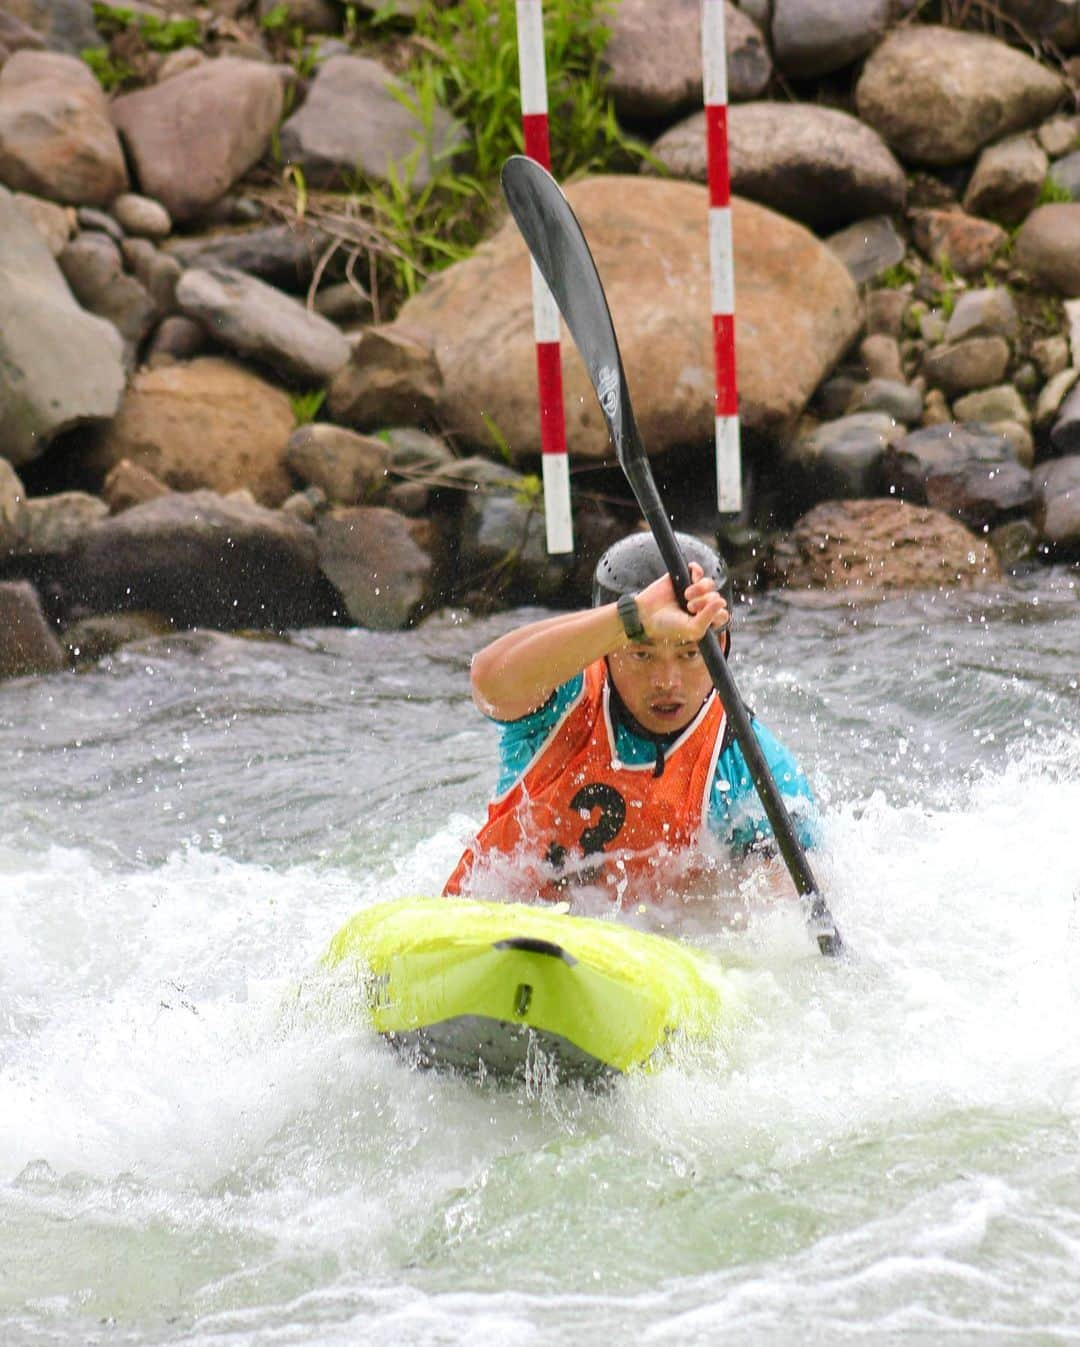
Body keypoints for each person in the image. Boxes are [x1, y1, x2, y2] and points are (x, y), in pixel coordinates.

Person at [443, 531, 818, 912]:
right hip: (488, 936)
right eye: (642, 655)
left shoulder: (749, 764)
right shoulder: (564, 699)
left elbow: (786, 914)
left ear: (720, 647)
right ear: (606, 649)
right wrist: (632, 616)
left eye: (689, 653)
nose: (667, 682)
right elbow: (488, 682)